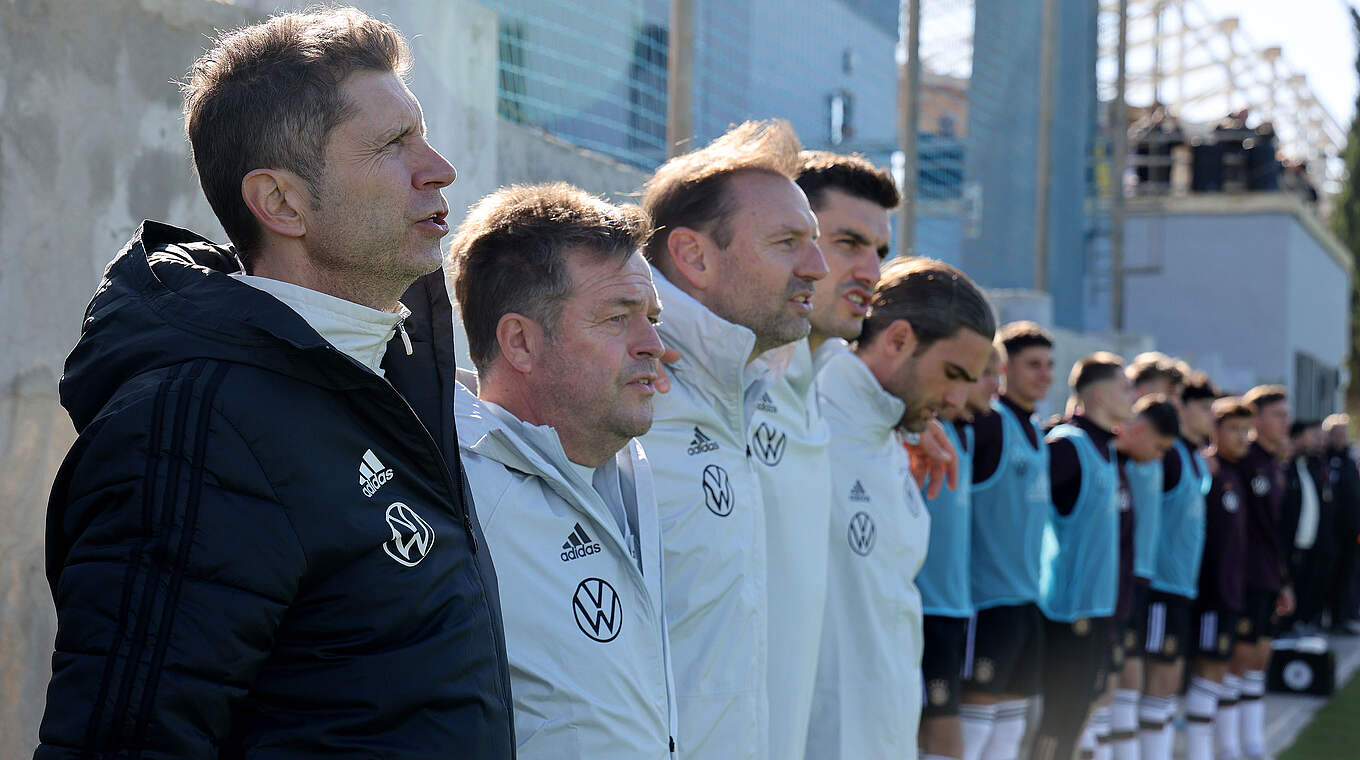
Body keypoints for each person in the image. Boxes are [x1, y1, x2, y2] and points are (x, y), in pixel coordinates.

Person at [36, 9, 516, 756]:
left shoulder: (393, 381)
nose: (440, 167)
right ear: (282, 203)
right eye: (395, 144)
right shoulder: (194, 429)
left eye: (421, 132)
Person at [449, 184, 678, 758]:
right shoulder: (452, 498)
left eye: (650, 317)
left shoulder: (623, 463)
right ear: (520, 342)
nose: (654, 344)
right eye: (616, 318)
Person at [639, 119, 828, 760]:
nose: (818, 267)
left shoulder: (751, 381)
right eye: (787, 243)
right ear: (694, 256)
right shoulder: (609, 390)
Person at [738, 150, 899, 760]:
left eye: (880, 251)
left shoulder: (825, 380)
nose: (871, 271)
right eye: (849, 243)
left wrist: (914, 421)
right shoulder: (722, 375)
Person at [807, 257, 996, 760]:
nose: (958, 399)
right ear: (897, 340)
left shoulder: (894, 436)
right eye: (952, 374)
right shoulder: (807, 417)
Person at [959, 320, 1056, 760]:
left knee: (1013, 721)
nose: (1044, 374)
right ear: (1004, 369)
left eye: (1050, 366)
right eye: (1033, 364)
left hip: (1026, 599)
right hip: (987, 600)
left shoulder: (1036, 430)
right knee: (974, 719)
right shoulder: (989, 424)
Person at [1032, 353, 1132, 760]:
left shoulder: (1104, 448)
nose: (1133, 397)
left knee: (1076, 717)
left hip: (1097, 608)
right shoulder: (1068, 447)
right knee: (1057, 720)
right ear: (1103, 393)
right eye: (1126, 388)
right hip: (1069, 614)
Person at [918, 343, 1003, 760]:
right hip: (924, 609)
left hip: (953, 608)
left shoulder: (962, 435)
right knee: (943, 735)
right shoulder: (922, 433)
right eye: (982, 373)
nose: (993, 385)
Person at [1139, 371, 1215, 760]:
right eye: (1204, 408)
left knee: (1170, 683)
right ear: (1181, 407)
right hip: (1160, 588)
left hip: (1185, 587)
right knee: (1155, 680)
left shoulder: (1194, 459)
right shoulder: (1166, 456)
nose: (1211, 416)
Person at [1225, 385, 1296, 760]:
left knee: (1260, 657)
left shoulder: (1274, 464)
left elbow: (1277, 532)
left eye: (1286, 415)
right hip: (1243, 577)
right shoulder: (1243, 460)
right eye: (1278, 414)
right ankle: (1229, 744)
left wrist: (1284, 580)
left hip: (1269, 576)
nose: (1285, 421)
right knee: (1237, 659)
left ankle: (1252, 741)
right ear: (1257, 419)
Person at [1110, 394, 1181, 760]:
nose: (1160, 455)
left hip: (1140, 579)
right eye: (1159, 445)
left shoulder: (1148, 459)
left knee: (1125, 676)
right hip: (1108, 581)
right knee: (1104, 683)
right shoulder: (1100, 451)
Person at [1183, 398, 1254, 760]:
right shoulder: (1207, 472)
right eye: (1235, 430)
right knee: (1208, 670)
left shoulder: (1235, 474)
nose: (1243, 438)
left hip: (1229, 593)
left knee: (1219, 672)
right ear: (1214, 431)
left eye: (1247, 430)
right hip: (1209, 594)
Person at [1282, 420, 1336, 634]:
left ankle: (1300, 622)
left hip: (1311, 541)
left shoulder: (1312, 466)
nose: (1318, 441)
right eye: (1313, 435)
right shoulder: (1287, 467)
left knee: (1307, 585)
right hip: (1290, 542)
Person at [1322, 413, 1360, 633]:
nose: (1340, 438)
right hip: (1330, 531)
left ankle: (1345, 615)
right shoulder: (1324, 460)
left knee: (1349, 573)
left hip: (1351, 530)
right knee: (1332, 573)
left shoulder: (1350, 460)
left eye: (1342, 434)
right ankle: (1331, 617)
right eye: (1335, 434)